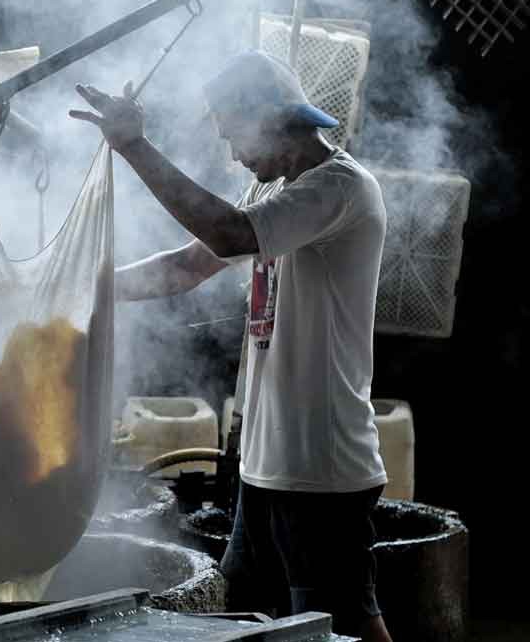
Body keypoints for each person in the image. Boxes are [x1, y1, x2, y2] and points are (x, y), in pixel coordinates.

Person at [70, 50, 393, 642]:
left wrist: (134, 148)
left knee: (342, 629)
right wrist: (86, 287)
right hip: (267, 468)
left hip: (322, 471)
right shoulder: (275, 192)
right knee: (248, 624)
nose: (231, 152)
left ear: (268, 120)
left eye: (230, 132)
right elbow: (186, 267)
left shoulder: (341, 188)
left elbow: (226, 233)